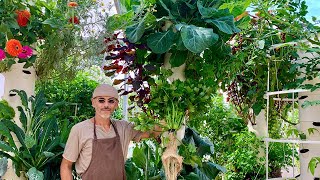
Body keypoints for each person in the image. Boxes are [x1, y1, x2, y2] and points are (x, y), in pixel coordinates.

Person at [60, 84, 160, 180]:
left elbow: (153, 132)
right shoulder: (79, 129)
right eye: (101, 100)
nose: (106, 105)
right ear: (93, 102)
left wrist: (165, 112)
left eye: (111, 101)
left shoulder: (124, 128)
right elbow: (66, 165)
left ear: (116, 104)